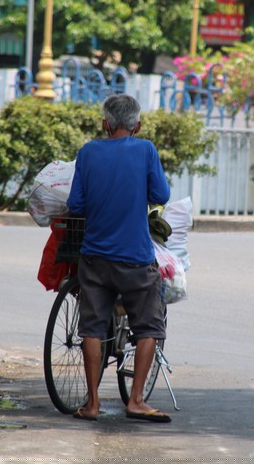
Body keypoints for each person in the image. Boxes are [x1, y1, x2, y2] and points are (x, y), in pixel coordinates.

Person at [66, 94, 172, 423]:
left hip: (94, 257)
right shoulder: (145, 150)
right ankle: (136, 400)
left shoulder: (88, 152)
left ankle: (93, 404)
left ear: (105, 124)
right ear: (137, 125)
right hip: (135, 259)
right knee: (149, 327)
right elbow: (161, 196)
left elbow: (76, 205)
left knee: (92, 329)